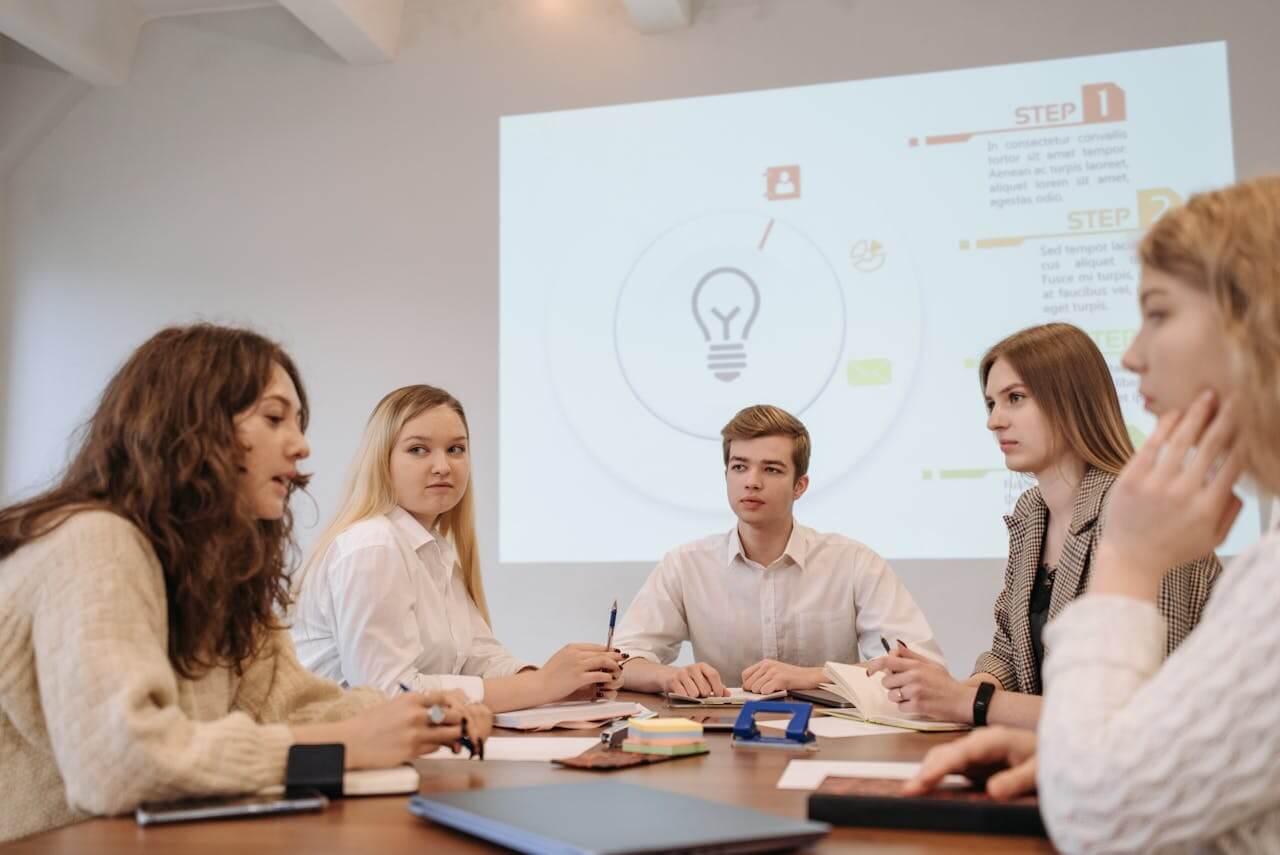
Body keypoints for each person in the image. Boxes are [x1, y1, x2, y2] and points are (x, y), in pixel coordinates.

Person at [0, 325, 487, 844]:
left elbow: (289, 702)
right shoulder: (93, 542)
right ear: (188, 426)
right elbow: (121, 765)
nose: (301, 446)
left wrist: (414, 715)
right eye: (275, 418)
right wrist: (344, 744)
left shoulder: (217, 568)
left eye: (298, 423)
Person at [907, 175, 1280, 852]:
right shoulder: (1029, 513)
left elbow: (1106, 813)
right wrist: (1060, 756)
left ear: (1258, 318)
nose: (1134, 355)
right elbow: (1160, 758)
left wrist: (1127, 564)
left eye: (1159, 313)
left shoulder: (1145, 522)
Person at [867, 323, 1219, 729]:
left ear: (1072, 401)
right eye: (991, 404)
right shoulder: (1032, 511)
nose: (994, 421)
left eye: (1015, 398)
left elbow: (1145, 706)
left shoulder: (1142, 510)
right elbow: (1010, 653)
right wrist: (956, 691)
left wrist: (972, 704)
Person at [291, 384, 622, 712]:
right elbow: (388, 694)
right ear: (382, 460)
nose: (443, 466)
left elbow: (479, 658)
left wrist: (565, 683)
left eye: (455, 449)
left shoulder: (434, 548)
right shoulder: (373, 546)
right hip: (342, 755)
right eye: (418, 450)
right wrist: (541, 685)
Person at [614, 404, 944, 699]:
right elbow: (622, 660)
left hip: (831, 737)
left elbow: (920, 666)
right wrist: (672, 677)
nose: (752, 482)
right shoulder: (686, 565)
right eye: (739, 467)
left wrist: (814, 676)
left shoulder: (853, 562)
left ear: (799, 486)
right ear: (726, 475)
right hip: (722, 739)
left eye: (771, 469)